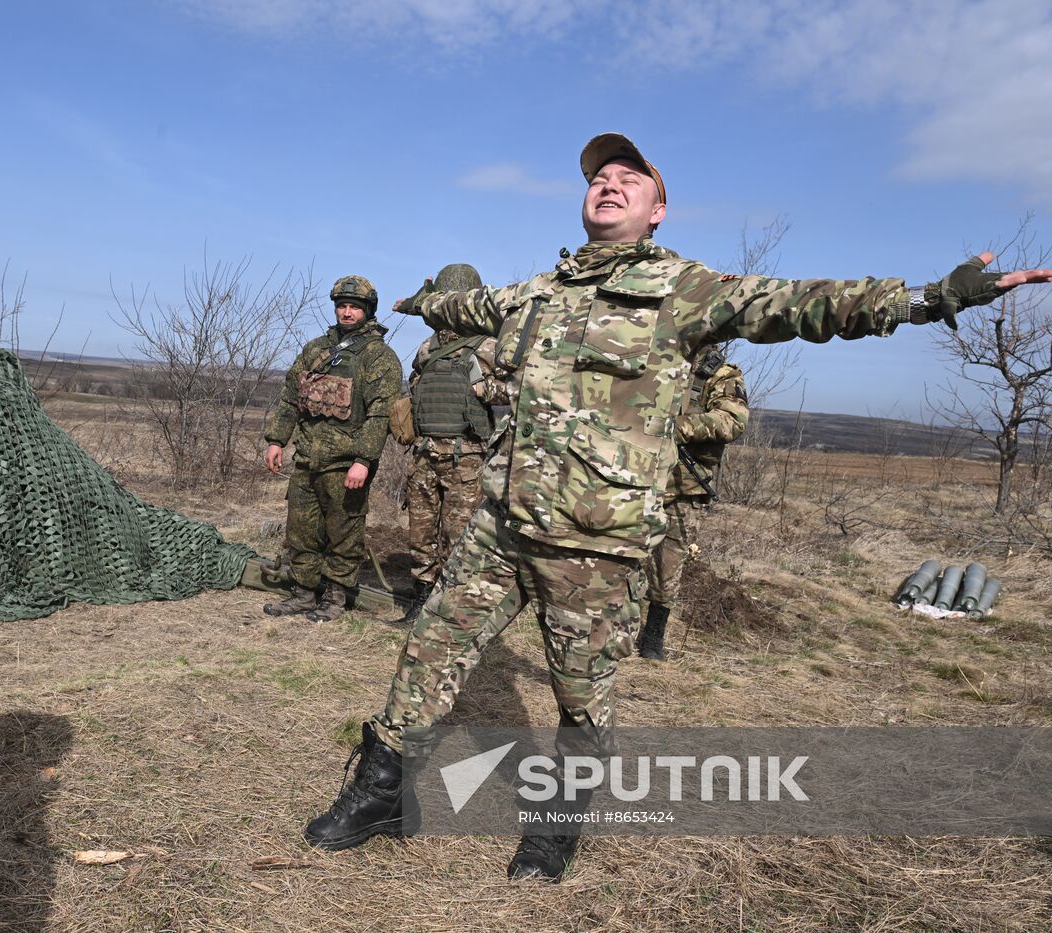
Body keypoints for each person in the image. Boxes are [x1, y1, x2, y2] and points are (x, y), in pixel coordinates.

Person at [300, 132, 1052, 881]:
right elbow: (469, 304)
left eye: (631, 177)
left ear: (658, 209)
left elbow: (805, 304)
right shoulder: (536, 292)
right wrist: (418, 299)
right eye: (600, 175)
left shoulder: (685, 289)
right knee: (428, 648)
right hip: (501, 525)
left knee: (580, 697)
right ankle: (381, 793)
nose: (610, 183)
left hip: (595, 541)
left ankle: (556, 826)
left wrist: (932, 299)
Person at [262, 276, 403, 623]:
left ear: (367, 311)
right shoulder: (315, 350)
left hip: (345, 464)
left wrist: (363, 461)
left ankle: (335, 598)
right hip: (308, 459)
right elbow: (290, 397)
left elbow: (380, 413)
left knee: (344, 534)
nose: (347, 312)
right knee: (302, 530)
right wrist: (277, 440)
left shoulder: (378, 357)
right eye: (342, 305)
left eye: (354, 306)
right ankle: (304, 594)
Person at [401, 263, 512, 624]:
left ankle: (445, 612)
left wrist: (487, 389)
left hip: (466, 458)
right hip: (425, 454)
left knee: (458, 537)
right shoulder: (427, 347)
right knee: (420, 533)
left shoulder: (489, 347)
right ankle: (419, 602)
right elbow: (417, 386)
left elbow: (520, 390)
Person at [636, 346, 749, 660]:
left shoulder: (719, 373)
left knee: (667, 566)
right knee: (620, 555)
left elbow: (733, 420)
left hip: (682, 485)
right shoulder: (650, 357)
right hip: (635, 477)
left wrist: (677, 427)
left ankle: (653, 638)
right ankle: (615, 629)